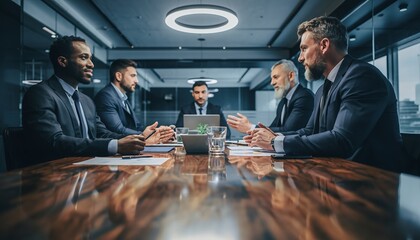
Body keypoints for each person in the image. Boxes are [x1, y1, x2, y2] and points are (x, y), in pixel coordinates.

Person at [246, 16, 404, 172]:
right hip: (338, 174)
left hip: (373, 183)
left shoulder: (361, 77)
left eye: (304, 48)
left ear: (324, 45)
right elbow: (309, 131)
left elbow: (342, 140)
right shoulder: (323, 88)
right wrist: (273, 136)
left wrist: (276, 141)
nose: (300, 58)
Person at [22, 36, 146, 163]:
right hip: (57, 173)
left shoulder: (86, 101)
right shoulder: (40, 94)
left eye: (90, 59)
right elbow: (53, 141)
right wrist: (115, 146)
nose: (91, 64)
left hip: (89, 168)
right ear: (62, 61)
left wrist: (139, 139)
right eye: (83, 57)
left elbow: (102, 134)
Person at [94, 59, 174, 144]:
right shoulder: (106, 96)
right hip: (114, 152)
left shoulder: (123, 98)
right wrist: (143, 135)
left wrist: (156, 132)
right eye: (133, 76)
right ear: (118, 76)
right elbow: (118, 129)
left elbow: (137, 126)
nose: (137, 81)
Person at [227, 59, 314, 133]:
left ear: (291, 76)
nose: (272, 83)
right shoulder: (283, 102)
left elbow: (289, 131)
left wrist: (251, 127)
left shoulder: (304, 97)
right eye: (272, 78)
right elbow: (272, 129)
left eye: (276, 77)